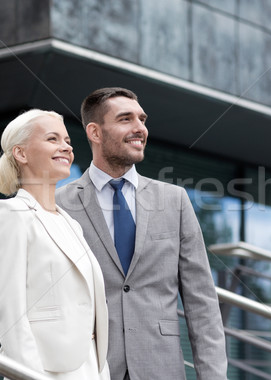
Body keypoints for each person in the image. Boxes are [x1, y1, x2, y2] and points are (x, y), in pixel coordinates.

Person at [56, 88, 228, 380]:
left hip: (160, 368)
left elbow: (202, 302)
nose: (140, 129)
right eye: (126, 119)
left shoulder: (175, 200)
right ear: (95, 132)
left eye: (142, 119)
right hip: (89, 369)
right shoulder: (59, 204)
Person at [0, 109, 110, 379]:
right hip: (45, 372)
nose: (65, 146)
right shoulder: (10, 215)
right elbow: (10, 315)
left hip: (89, 369)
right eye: (53, 139)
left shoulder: (71, 224)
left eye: (67, 141)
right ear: (21, 153)